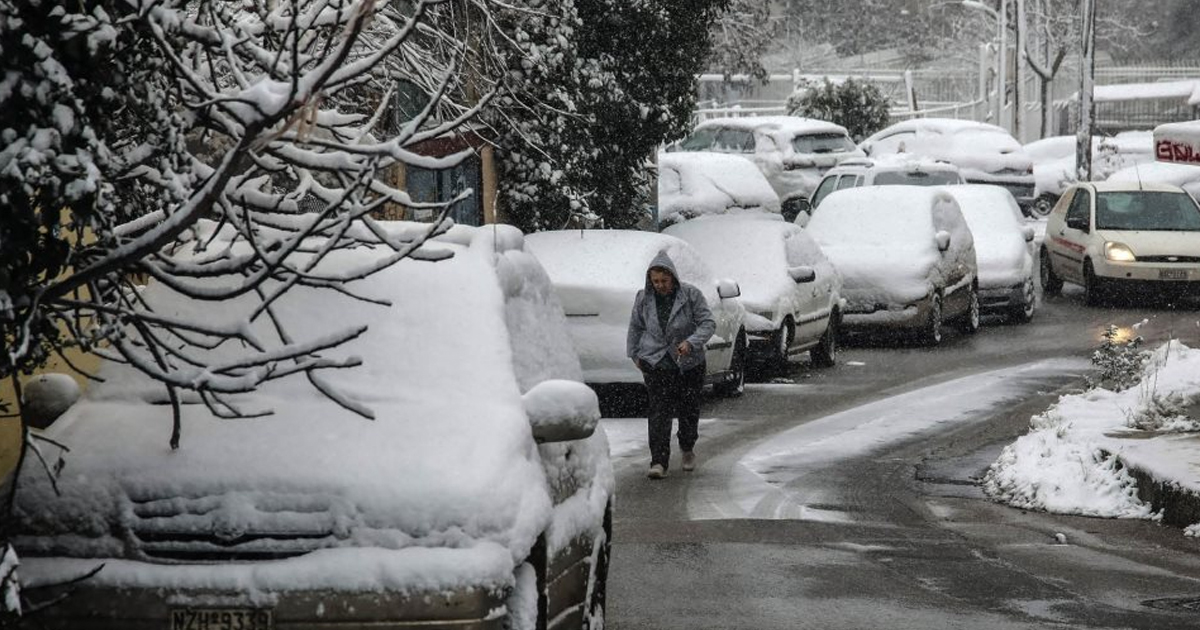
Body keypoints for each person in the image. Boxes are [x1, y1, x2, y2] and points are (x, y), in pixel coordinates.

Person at [626, 251, 716, 479]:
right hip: (655, 362)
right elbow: (635, 327)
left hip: (688, 363)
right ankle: (658, 460)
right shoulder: (643, 299)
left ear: (673, 278)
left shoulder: (691, 295)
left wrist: (691, 342)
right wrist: (634, 354)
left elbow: (708, 323)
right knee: (659, 411)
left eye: (664, 281)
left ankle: (687, 447)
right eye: (655, 281)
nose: (660, 286)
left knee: (688, 408)